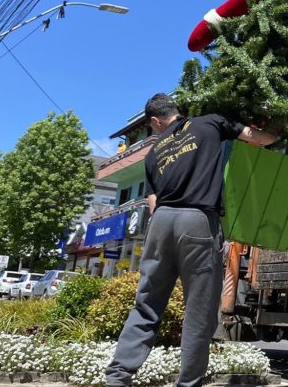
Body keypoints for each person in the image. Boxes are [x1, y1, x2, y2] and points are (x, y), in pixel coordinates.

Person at [106, 93, 277, 387]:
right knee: (199, 311)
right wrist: (275, 132)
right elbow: (257, 138)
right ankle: (188, 384)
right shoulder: (210, 123)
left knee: (146, 305)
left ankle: (117, 378)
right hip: (197, 221)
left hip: (161, 222)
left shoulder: (154, 152)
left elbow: (152, 202)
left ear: (156, 121)